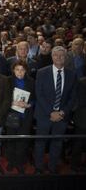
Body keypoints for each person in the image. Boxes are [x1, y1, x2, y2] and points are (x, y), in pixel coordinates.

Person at [34, 46, 77, 174]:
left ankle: (52, 167)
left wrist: (62, 112)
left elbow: (72, 97)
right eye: (56, 55)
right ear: (52, 57)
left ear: (65, 57)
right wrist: (51, 112)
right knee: (40, 143)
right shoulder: (42, 72)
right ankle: (38, 168)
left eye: (61, 55)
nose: (58, 58)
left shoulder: (71, 74)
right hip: (44, 115)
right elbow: (39, 94)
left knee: (57, 144)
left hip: (62, 117)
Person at [5, 60, 35, 174]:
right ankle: (11, 161)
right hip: (11, 115)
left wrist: (29, 104)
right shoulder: (7, 81)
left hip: (25, 116)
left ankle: (20, 162)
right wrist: (12, 102)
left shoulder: (31, 81)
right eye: (17, 69)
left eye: (22, 70)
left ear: (26, 71)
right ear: (13, 70)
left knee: (22, 141)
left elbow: (35, 99)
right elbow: (3, 98)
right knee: (11, 139)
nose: (19, 72)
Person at [71, 76, 86, 172]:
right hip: (82, 118)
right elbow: (80, 101)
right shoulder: (82, 82)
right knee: (78, 143)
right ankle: (75, 166)